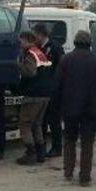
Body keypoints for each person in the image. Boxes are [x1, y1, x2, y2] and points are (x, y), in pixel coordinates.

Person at [56, 30, 96, 186]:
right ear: (90, 43)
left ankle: (68, 171)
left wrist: (58, 105)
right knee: (87, 143)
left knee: (69, 140)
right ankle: (85, 177)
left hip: (70, 108)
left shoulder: (65, 60)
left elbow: (58, 85)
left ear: (75, 43)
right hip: (92, 109)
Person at [16, 30, 53, 165]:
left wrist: (17, 65)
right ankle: (41, 153)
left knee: (25, 124)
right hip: (45, 94)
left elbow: (30, 72)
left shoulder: (30, 53)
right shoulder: (40, 53)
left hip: (33, 94)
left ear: (26, 40)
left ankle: (30, 153)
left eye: (20, 41)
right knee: (37, 124)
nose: (19, 44)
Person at [33, 23, 65, 157]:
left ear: (41, 34)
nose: (34, 37)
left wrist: (57, 85)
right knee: (42, 121)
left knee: (54, 120)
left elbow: (62, 68)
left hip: (53, 90)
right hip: (42, 89)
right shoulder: (37, 48)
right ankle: (41, 147)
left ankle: (57, 148)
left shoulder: (56, 48)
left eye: (35, 34)